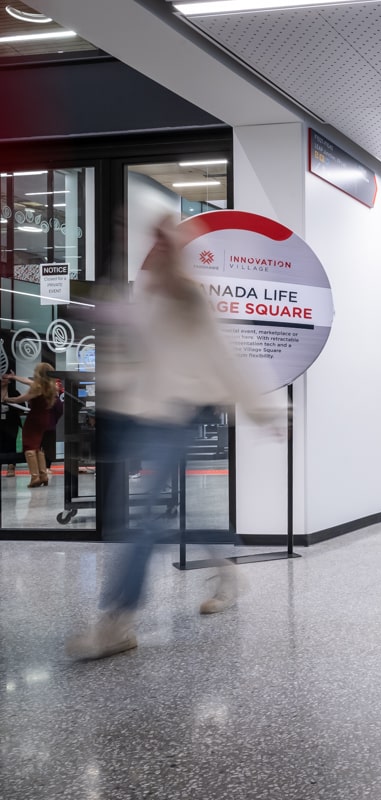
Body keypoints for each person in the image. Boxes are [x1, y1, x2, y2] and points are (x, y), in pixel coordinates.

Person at [66, 217, 273, 661]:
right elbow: (117, 343)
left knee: (141, 525)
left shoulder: (188, 298)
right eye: (148, 245)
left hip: (177, 417)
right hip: (135, 419)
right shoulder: (142, 302)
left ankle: (118, 621)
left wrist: (264, 410)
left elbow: (224, 356)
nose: (152, 252)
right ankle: (227, 567)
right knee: (152, 521)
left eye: (162, 246)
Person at [2, 363, 60, 488]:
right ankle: (43, 475)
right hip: (45, 418)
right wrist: (14, 377)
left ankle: (35, 477)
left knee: (29, 446)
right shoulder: (51, 386)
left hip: (34, 419)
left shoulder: (37, 387)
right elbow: (27, 381)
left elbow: (21, 399)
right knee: (38, 447)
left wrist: (7, 399)